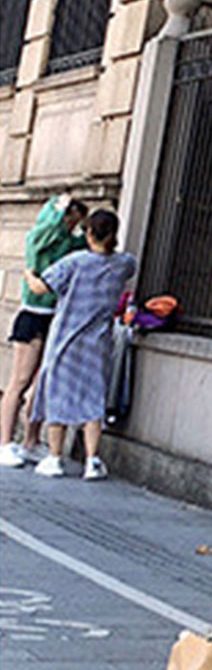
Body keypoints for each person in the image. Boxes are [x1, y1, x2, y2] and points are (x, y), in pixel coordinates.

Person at [27, 209, 135, 481]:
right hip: (98, 344)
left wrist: (29, 273)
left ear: (89, 233)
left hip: (65, 341)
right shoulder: (124, 264)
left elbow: (41, 287)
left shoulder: (74, 262)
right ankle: (92, 461)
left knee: (58, 397)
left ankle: (54, 458)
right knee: (93, 400)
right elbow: (127, 266)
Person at [0, 194, 87, 466]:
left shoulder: (71, 243)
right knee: (20, 381)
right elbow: (46, 230)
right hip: (34, 314)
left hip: (56, 317)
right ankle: (5, 443)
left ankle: (31, 441)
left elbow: (88, 247)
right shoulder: (39, 238)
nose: (71, 227)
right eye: (70, 221)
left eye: (75, 223)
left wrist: (86, 227)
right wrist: (59, 208)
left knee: (42, 384)